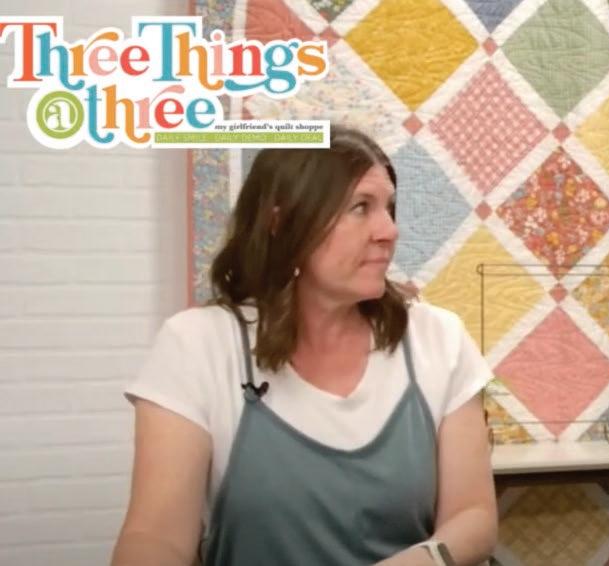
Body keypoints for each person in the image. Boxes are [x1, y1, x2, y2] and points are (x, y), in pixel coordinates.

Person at [111, 128, 497, 566]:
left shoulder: (439, 340)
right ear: (281, 223)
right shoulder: (196, 346)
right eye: (360, 207)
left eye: (388, 207)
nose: (389, 230)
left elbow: (473, 516)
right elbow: (156, 537)